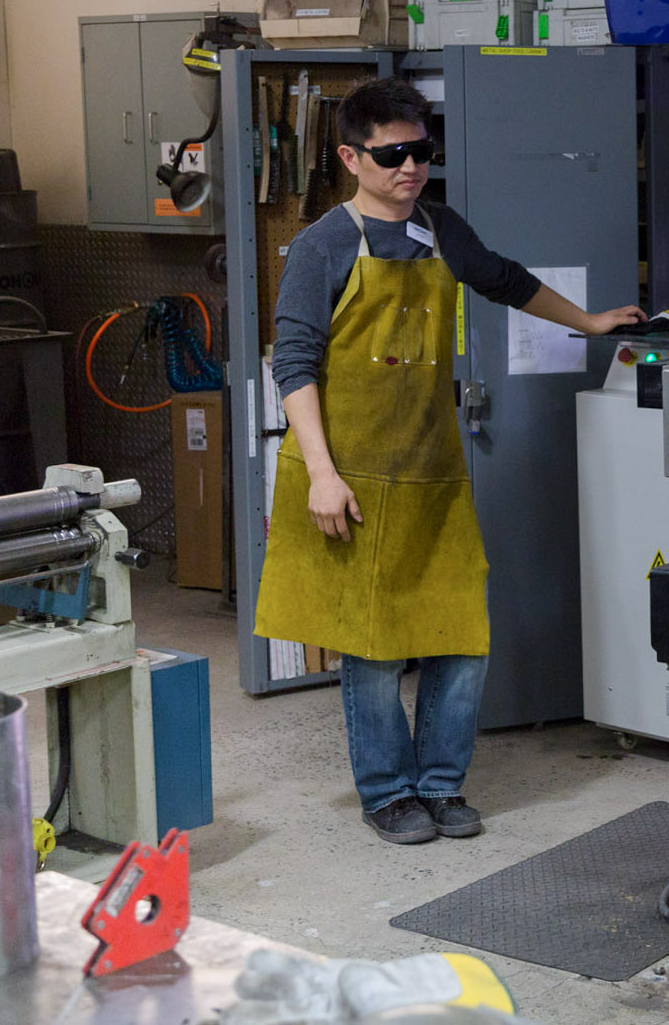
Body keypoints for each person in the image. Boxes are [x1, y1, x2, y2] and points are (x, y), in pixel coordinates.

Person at [255, 76, 643, 844]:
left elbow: (504, 279)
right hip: (352, 478)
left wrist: (591, 320)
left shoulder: (439, 228)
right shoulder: (324, 245)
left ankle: (440, 783)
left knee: (461, 633)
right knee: (371, 645)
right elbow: (293, 363)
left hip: (433, 475)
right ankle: (388, 792)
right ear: (349, 157)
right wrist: (322, 474)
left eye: (421, 152)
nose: (410, 167)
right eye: (393, 154)